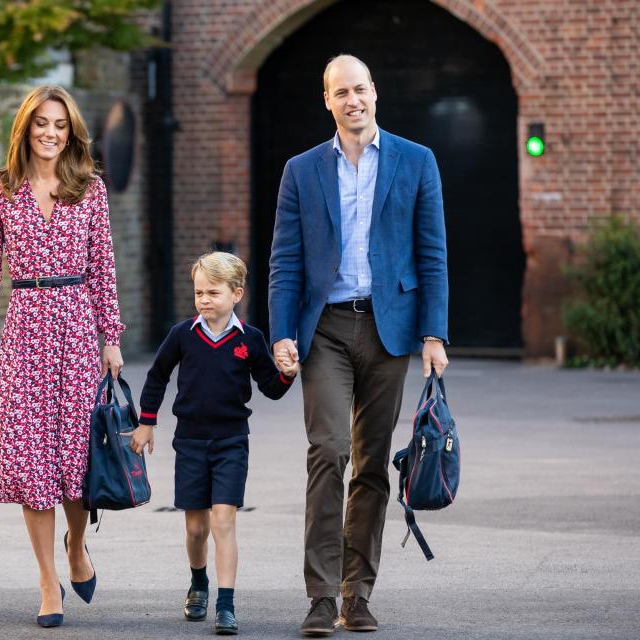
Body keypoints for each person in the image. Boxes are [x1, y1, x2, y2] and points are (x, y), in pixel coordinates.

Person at [268, 54, 450, 636]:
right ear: (328, 100)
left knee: (371, 464)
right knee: (328, 452)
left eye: (362, 89)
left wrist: (434, 333)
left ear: (376, 92)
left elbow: (433, 254)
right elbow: (285, 262)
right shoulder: (301, 170)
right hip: (323, 329)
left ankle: (358, 593)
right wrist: (281, 334)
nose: (354, 100)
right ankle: (320, 597)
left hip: (389, 330)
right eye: (342, 92)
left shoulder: (417, 161)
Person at [0, 85, 125, 628]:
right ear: (25, 128)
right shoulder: (0, 192)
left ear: (71, 132)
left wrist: (110, 336)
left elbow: (103, 267)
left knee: (74, 458)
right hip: (25, 328)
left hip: (76, 326)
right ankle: (48, 581)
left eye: (60, 126)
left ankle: (77, 547)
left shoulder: (90, 189)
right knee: (33, 464)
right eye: (41, 124)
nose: (50, 133)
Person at [131, 251, 299, 636]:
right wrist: (146, 423)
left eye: (213, 292)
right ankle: (199, 583)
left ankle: (226, 605)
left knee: (224, 520)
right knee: (195, 529)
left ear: (236, 293)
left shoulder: (251, 340)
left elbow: (270, 389)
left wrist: (288, 374)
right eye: (199, 293)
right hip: (189, 442)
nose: (204, 300)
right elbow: (157, 377)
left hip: (231, 442)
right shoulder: (182, 335)